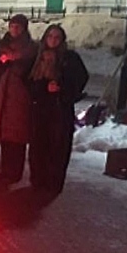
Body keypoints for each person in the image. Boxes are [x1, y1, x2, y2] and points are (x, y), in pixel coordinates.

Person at [27, 24, 89, 195]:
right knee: (38, 146)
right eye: (50, 36)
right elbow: (29, 81)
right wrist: (42, 88)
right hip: (40, 109)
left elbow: (80, 78)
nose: (53, 40)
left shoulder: (69, 58)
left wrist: (62, 88)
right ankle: (37, 180)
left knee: (58, 147)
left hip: (60, 109)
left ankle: (53, 183)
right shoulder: (38, 58)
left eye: (57, 37)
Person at [0, 14, 36, 185]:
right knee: (5, 135)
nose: (14, 29)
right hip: (4, 92)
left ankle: (15, 171)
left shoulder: (29, 48)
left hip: (19, 95)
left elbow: (27, 67)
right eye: (12, 26)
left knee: (17, 136)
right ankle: (5, 169)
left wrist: (13, 59)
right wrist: (1, 62)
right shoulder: (3, 46)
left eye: (18, 26)